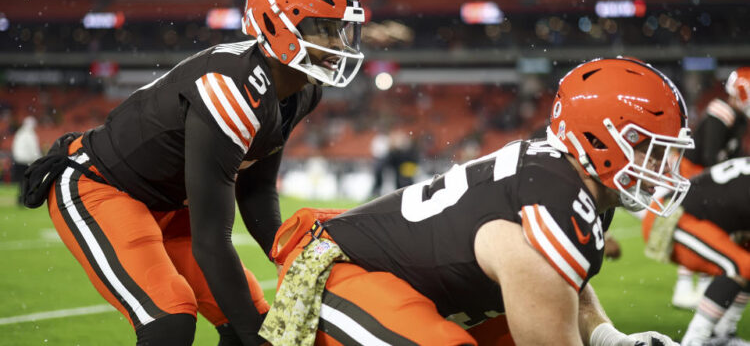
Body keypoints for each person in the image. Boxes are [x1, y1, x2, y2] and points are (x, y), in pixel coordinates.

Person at [20, 0, 365, 345]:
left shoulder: (302, 90)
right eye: (324, 28)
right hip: (103, 186)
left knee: (250, 320)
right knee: (170, 319)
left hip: (169, 203)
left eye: (341, 29)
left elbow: (256, 191)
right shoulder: (231, 88)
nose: (337, 42)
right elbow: (211, 240)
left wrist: (291, 259)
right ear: (275, 22)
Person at [258, 58, 694, 345]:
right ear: (597, 138)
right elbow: (546, 273)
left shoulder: (570, 180)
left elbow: (565, 282)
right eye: (647, 146)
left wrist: (611, 340)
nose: (663, 164)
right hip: (341, 274)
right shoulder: (556, 198)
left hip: (397, 279)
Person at [642, 157, 750, 346]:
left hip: (687, 213)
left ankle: (723, 334)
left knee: (745, 262)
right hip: (671, 216)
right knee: (739, 265)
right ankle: (694, 341)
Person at [671, 67, 750, 309]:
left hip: (703, 172)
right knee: (700, 225)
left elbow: (733, 156)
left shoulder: (738, 117)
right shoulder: (722, 112)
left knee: (710, 229)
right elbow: (710, 154)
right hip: (693, 170)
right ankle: (685, 287)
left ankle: (699, 287)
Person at [11, 116, 42, 205]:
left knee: (21, 182)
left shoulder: (19, 133)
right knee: (28, 181)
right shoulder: (30, 135)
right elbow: (34, 149)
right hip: (27, 161)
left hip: (18, 160)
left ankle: (21, 198)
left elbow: (15, 147)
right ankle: (26, 199)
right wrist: (38, 160)